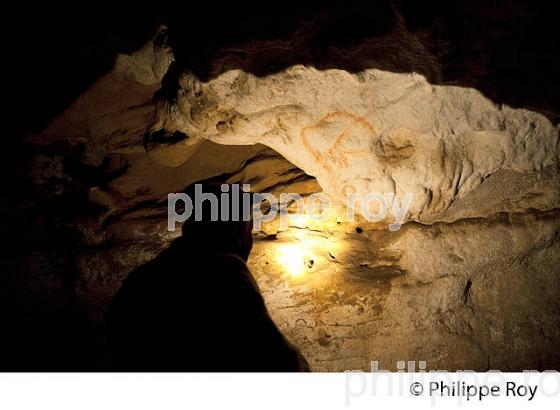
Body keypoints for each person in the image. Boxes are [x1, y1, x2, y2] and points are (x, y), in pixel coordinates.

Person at [107, 183, 309, 371]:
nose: (249, 239)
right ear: (235, 229)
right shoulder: (223, 273)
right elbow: (280, 362)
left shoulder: (144, 276)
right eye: (247, 227)